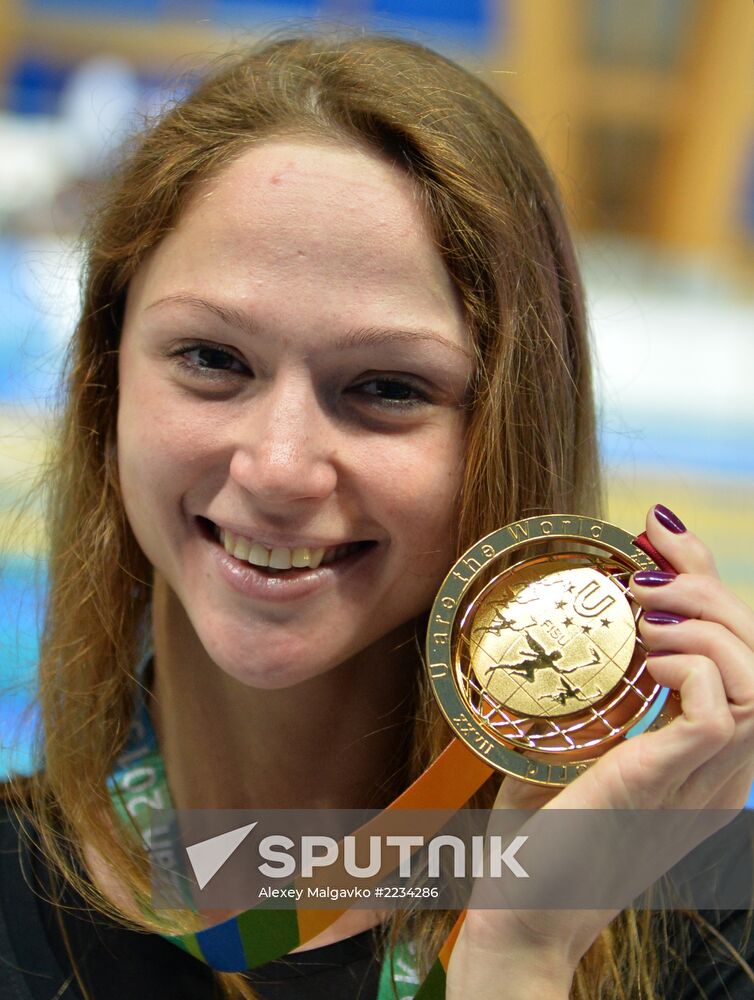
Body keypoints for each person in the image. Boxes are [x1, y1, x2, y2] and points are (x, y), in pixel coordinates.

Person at [2, 29, 753, 1000]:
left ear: (505, 431)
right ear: (107, 383)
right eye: (212, 359)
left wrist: (521, 955)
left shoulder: (695, 930)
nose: (277, 467)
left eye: (386, 386)